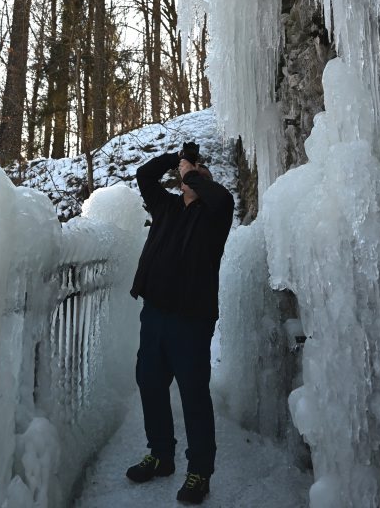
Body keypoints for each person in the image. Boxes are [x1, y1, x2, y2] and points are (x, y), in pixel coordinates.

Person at [126, 142, 234, 504]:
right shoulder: (166, 207)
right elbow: (144, 175)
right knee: (150, 384)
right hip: (154, 314)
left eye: (199, 174)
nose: (190, 176)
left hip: (191, 320)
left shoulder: (216, 213)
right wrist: (176, 158)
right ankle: (161, 454)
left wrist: (192, 172)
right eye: (187, 174)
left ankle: (199, 471)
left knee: (193, 395)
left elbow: (218, 198)